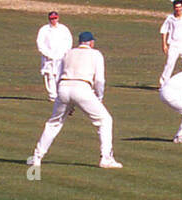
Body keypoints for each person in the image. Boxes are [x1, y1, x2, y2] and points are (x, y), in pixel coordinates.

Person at [27, 31, 123, 169]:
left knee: (54, 123)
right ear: (91, 43)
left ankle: (37, 157)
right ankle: (106, 158)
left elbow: (59, 74)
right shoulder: (96, 54)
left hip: (63, 88)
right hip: (82, 88)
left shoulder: (68, 53)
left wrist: (67, 101)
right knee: (105, 120)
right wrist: (99, 98)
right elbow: (100, 80)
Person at [36, 11, 74, 102]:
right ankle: (52, 95)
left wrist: (65, 52)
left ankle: (60, 94)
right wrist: (47, 54)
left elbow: (69, 41)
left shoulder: (63, 29)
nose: (53, 20)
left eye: (55, 18)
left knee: (60, 75)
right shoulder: (44, 29)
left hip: (61, 56)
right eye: (52, 19)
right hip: (49, 57)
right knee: (50, 75)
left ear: (58, 18)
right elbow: (40, 43)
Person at [159, 0, 182, 87]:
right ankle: (163, 84)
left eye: (180, 7)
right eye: (176, 7)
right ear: (174, 8)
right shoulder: (170, 18)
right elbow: (164, 30)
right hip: (173, 44)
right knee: (169, 63)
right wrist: (164, 44)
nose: (178, 9)